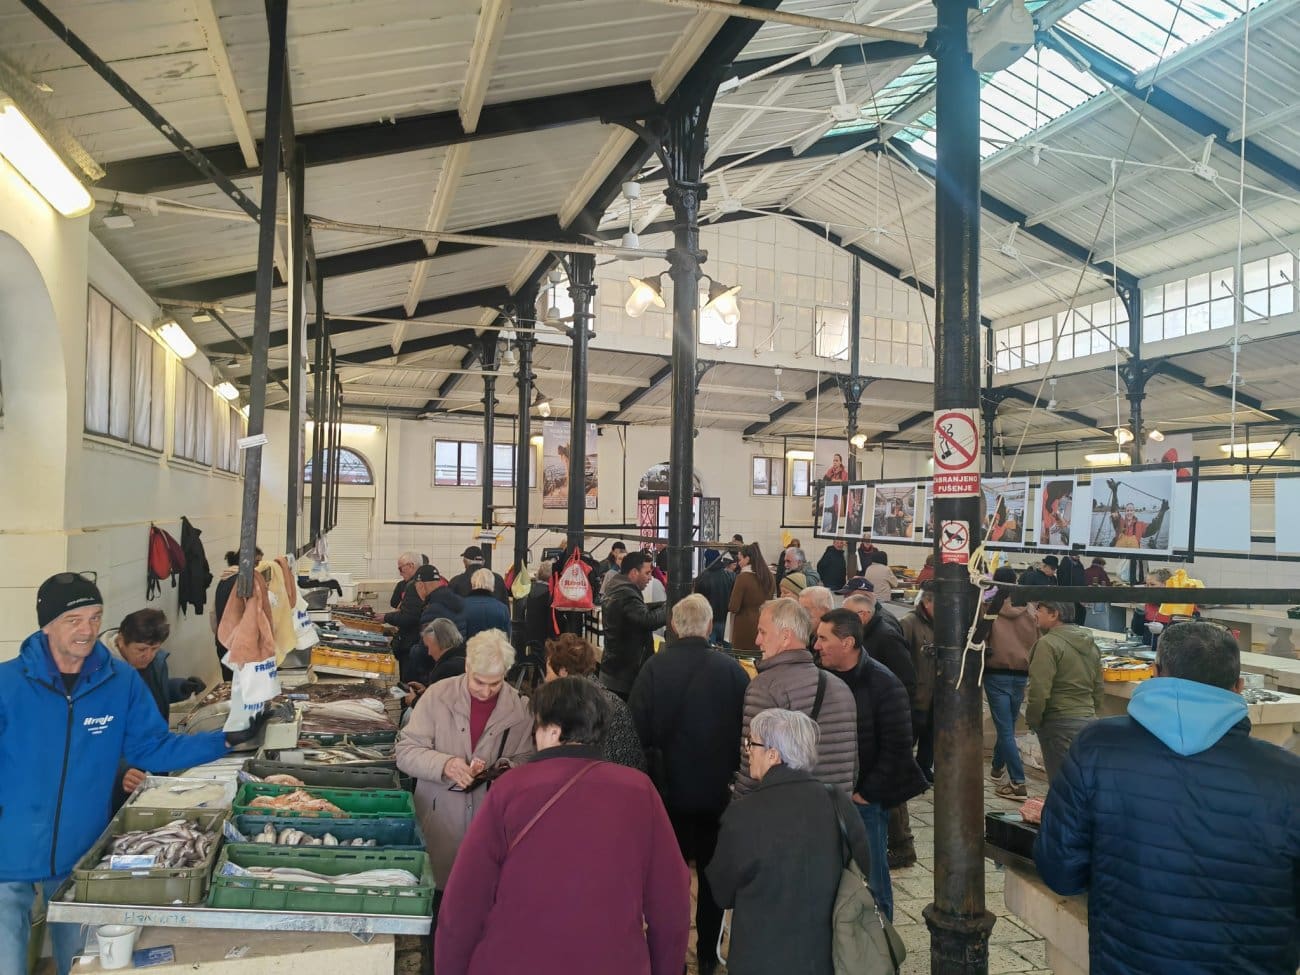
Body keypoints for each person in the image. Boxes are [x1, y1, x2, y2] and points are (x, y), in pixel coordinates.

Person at [0, 573, 253, 975]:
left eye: (95, 617)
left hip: (81, 856)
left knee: (82, 964)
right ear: (46, 625)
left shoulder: (119, 683)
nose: (87, 630)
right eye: (73, 620)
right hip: (8, 852)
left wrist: (225, 740)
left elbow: (152, 747)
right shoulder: (7, 684)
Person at [1035, 622, 1300, 975]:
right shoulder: (1288, 775)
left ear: (1156, 673)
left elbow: (1061, 872)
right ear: (1238, 686)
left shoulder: (1097, 746)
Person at [435, 677, 690, 975]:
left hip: (515, 961)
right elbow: (671, 901)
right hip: (612, 962)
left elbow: (465, 899)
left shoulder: (511, 788)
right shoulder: (639, 791)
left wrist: (450, 967)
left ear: (553, 730)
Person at [629, 595, 749, 975]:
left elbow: (636, 733)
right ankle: (709, 954)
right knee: (712, 879)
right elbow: (745, 734)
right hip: (717, 795)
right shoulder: (733, 672)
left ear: (673, 626)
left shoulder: (653, 669)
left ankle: (672, 956)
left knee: (669, 880)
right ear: (710, 626)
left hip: (668, 795)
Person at [707, 708, 871, 975]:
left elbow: (722, 891)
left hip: (760, 960)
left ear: (773, 755)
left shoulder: (742, 814)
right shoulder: (837, 802)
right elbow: (862, 867)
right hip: (827, 957)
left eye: (752, 743)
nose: (748, 751)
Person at [394, 629, 534, 886]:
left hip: (493, 828)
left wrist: (503, 769)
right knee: (438, 893)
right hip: (439, 823)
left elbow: (527, 759)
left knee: (483, 893)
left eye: (495, 683)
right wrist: (445, 764)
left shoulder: (522, 709)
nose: (486, 692)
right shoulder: (437, 696)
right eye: (478, 682)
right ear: (467, 667)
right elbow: (405, 752)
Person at [814, 610, 927, 921]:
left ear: (847, 642)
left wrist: (866, 794)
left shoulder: (884, 683)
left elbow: (899, 747)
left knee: (872, 879)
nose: (816, 645)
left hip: (865, 801)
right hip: (829, 795)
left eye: (823, 638)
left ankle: (880, 940)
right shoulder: (821, 677)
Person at [735, 599, 857, 797]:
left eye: (762, 632)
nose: (757, 640)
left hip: (789, 807)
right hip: (835, 807)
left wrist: (739, 808)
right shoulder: (840, 687)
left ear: (785, 637)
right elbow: (853, 765)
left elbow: (752, 764)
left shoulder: (766, 687)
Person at [107, 609, 205, 808]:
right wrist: (120, 770)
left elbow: (150, 693)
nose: (148, 656)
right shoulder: (100, 676)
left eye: (154, 649)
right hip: (118, 777)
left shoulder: (155, 661)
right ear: (121, 640)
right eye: (141, 650)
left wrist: (179, 688)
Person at [1026, 601, 1103, 783]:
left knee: (1062, 785)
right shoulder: (1090, 644)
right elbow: (1098, 686)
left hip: (1059, 723)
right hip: (1087, 719)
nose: (1035, 613)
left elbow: (1039, 690)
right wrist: (1090, 711)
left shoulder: (1048, 644)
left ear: (1054, 614)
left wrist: (1033, 720)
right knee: (1084, 783)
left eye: (1039, 610)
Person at [544, 633, 645, 771]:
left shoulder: (573, 709)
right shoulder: (614, 704)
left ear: (563, 671)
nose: (546, 679)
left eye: (548, 672)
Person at [981, 568, 1038, 800]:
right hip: (1022, 674)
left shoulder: (990, 608)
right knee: (1008, 726)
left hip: (996, 673)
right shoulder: (1030, 610)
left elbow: (981, 638)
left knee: (1005, 730)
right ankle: (997, 768)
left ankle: (1017, 781)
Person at [894, 586, 937, 859]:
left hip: (936, 697)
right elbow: (903, 659)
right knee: (911, 737)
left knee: (930, 739)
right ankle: (905, 774)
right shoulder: (909, 623)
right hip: (917, 695)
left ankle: (922, 771)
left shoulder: (944, 624)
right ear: (928, 603)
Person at [599, 552, 668, 699]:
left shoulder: (618, 586)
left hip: (615, 670)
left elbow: (640, 610)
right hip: (623, 676)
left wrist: (662, 605)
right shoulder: (626, 593)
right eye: (647, 573)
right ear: (634, 572)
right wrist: (671, 608)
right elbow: (647, 620)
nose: (650, 578)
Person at [385, 564, 448, 681]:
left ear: (421, 585)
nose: (400, 572)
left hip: (421, 658)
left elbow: (409, 618)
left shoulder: (430, 610)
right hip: (444, 664)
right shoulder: (449, 595)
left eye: (401, 568)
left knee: (411, 686)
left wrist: (414, 651)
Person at [211, 547, 262, 680]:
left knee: (230, 683)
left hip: (223, 641)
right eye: (256, 562)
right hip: (238, 644)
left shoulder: (224, 579)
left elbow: (213, 614)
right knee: (243, 684)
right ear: (247, 561)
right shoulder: (243, 582)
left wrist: (220, 635)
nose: (258, 567)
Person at [727, 543, 774, 653]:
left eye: (740, 559)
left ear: (747, 559)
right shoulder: (769, 577)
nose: (738, 563)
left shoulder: (742, 578)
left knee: (742, 658)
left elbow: (733, 607)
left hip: (744, 627)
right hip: (764, 624)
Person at [1107, 478, 1170, 550]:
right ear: (1125, 512)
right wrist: (1114, 491)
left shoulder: (1140, 525)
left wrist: (1162, 511)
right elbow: (1114, 510)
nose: (1129, 512)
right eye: (1128, 510)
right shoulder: (1119, 522)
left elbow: (1154, 528)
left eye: (1131, 510)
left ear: (1134, 512)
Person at [694, 551, 736, 645]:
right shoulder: (729, 576)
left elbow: (697, 602)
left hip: (708, 621)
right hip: (725, 620)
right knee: (725, 648)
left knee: (710, 648)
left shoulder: (701, 578)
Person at [462, 568, 511, 639]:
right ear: (492, 585)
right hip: (494, 646)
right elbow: (506, 638)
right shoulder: (502, 609)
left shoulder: (461, 606)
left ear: (472, 584)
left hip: (469, 646)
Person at [419, 618, 466, 686]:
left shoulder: (446, 670)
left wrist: (417, 695)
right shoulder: (467, 656)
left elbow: (439, 693)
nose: (429, 653)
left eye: (429, 647)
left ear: (439, 643)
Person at [1057, 546, 1088, 624]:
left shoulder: (1079, 565)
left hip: (1078, 597)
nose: (1078, 556)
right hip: (1068, 597)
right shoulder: (1065, 565)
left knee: (1081, 614)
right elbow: (1063, 581)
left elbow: (1082, 580)